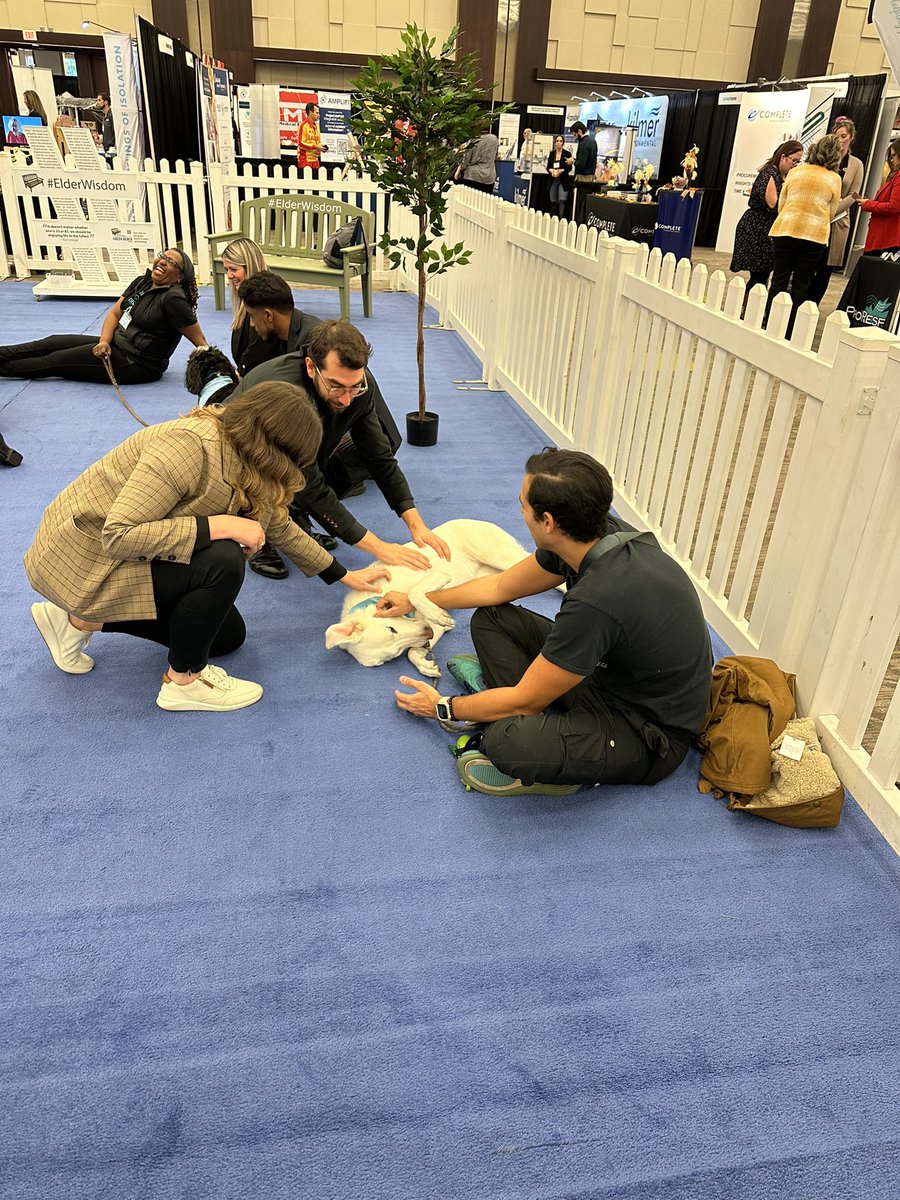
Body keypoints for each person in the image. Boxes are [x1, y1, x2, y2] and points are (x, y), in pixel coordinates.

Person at [23, 382, 388, 712]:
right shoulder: (188, 446)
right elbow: (119, 535)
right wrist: (219, 525)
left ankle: (77, 621)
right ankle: (182, 682)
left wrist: (342, 574)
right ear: (271, 447)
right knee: (224, 558)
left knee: (227, 637)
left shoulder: (242, 453)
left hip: (120, 555)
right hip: (83, 558)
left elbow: (276, 521)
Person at [382, 448, 712, 797]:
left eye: (523, 506)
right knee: (492, 619)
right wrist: (418, 598)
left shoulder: (597, 600)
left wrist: (444, 707)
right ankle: (519, 711)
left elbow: (525, 701)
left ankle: (552, 757)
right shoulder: (595, 533)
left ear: (549, 522)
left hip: (647, 730)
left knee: (506, 742)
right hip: (608, 671)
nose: (520, 512)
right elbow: (499, 587)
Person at [226, 319, 446, 579]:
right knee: (284, 482)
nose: (345, 398)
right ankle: (259, 528)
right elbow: (309, 484)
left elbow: (380, 458)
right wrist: (379, 548)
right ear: (310, 367)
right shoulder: (284, 390)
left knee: (350, 463)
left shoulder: (357, 385)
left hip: (302, 452)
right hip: (238, 462)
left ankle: (292, 513)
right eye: (336, 386)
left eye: (355, 387)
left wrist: (416, 524)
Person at [0, 249, 208, 384]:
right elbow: (115, 313)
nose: (162, 262)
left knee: (56, 361)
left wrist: (221, 372)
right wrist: (104, 341)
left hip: (137, 363)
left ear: (180, 276)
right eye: (163, 256)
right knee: (51, 342)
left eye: (171, 262)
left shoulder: (174, 300)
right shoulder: (142, 281)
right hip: (115, 345)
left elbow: (200, 342)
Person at [765, 135, 843, 336]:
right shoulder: (835, 179)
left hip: (785, 230)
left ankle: (769, 320)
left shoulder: (795, 172)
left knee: (779, 279)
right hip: (814, 237)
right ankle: (792, 329)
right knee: (802, 282)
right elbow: (832, 212)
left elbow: (782, 204)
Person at [730, 140, 803, 295]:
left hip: (767, 229)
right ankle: (747, 309)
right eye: (794, 161)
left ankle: (750, 308)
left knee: (762, 275)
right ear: (783, 157)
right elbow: (773, 204)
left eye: (798, 162)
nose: (795, 165)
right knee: (759, 275)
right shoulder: (771, 173)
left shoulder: (781, 175)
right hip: (757, 229)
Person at [807, 118, 864, 304]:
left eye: (844, 136)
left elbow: (854, 194)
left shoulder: (856, 165)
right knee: (808, 264)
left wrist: (833, 210)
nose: (840, 140)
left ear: (852, 137)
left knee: (825, 269)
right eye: (837, 136)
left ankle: (813, 305)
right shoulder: (824, 158)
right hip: (816, 216)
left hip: (838, 221)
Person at [221, 239, 272, 374]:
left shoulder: (263, 301)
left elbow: (258, 353)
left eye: (233, 269)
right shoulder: (246, 299)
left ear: (249, 267)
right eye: (226, 269)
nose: (229, 276)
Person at [853, 139, 900, 255]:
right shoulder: (895, 176)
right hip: (885, 237)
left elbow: (894, 206)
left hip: (886, 238)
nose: (892, 159)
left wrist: (868, 204)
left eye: (894, 155)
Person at [546, 133, 574, 220]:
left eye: (560, 141)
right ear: (555, 142)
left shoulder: (567, 153)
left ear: (563, 143)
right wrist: (551, 170)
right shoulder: (552, 153)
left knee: (562, 200)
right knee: (553, 200)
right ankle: (554, 218)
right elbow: (548, 167)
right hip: (553, 180)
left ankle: (561, 219)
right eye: (557, 141)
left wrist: (562, 170)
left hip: (563, 180)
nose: (559, 142)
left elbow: (569, 168)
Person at [297, 102, 325, 170]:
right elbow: (300, 144)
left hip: (315, 160)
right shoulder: (303, 125)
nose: (319, 115)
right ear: (310, 112)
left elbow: (318, 142)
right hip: (305, 160)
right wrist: (315, 146)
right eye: (317, 113)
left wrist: (321, 148)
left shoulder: (317, 126)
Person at [95, 91, 115, 158]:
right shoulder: (105, 116)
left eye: (99, 100)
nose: (98, 102)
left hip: (112, 150)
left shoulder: (111, 115)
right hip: (106, 149)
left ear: (106, 102)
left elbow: (115, 131)